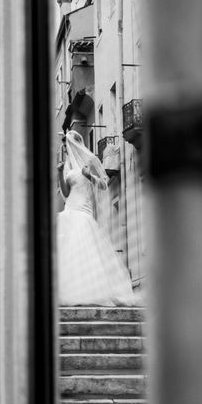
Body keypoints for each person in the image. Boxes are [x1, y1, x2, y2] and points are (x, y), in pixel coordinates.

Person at [56, 130, 136, 306]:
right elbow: (66, 192)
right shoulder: (68, 163)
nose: (66, 149)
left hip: (84, 209)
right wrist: (60, 173)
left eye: (66, 145)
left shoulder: (91, 160)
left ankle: (89, 291)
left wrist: (88, 176)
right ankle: (67, 290)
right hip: (70, 206)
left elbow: (104, 185)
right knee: (67, 249)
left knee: (84, 247)